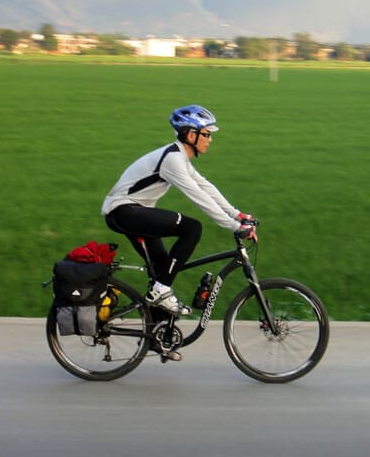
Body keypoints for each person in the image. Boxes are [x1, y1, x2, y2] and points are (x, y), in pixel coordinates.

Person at [102, 105, 256, 317]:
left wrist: (237, 214)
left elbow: (204, 186)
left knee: (162, 269)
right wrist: (235, 227)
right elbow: (199, 197)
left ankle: (158, 337)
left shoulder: (178, 157)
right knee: (192, 228)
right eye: (207, 134)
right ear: (191, 135)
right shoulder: (172, 160)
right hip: (124, 212)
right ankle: (161, 290)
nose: (210, 139)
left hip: (133, 213)